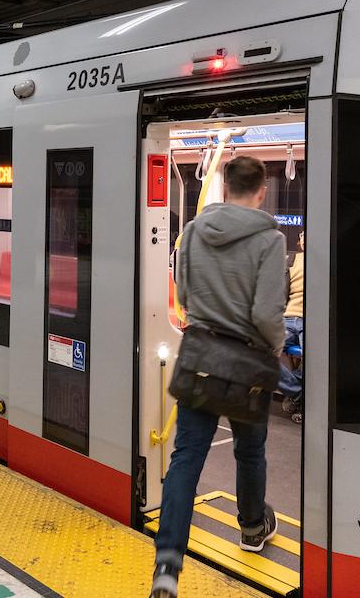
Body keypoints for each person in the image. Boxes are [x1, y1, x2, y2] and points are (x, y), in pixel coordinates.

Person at [150, 156, 287, 598]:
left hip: (201, 356)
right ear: (261, 190)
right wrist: (277, 345)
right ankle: (251, 527)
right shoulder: (270, 240)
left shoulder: (191, 231)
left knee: (186, 458)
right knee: (250, 452)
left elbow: (184, 295)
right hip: (247, 363)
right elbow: (267, 314)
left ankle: (167, 567)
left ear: (224, 186)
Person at [279, 231, 304, 422]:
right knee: (261, 352)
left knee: (314, 359)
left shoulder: (327, 260)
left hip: (312, 321)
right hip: (287, 318)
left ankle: (300, 399)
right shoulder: (291, 260)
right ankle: (299, 393)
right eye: (303, 234)